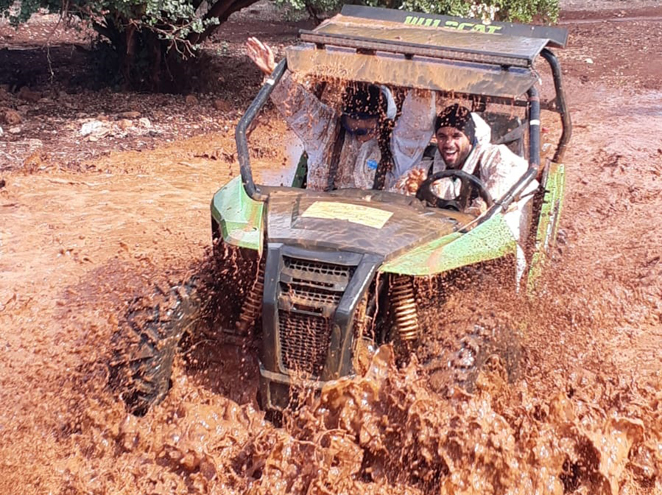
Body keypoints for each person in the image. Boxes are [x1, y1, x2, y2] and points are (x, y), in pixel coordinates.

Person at [246, 37, 435, 191]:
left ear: (382, 119)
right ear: (343, 116)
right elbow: (301, 107)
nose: (357, 128)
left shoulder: (396, 146)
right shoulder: (327, 133)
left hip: (371, 232)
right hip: (318, 223)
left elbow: (416, 123)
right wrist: (273, 71)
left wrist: (423, 87)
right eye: (352, 120)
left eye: (365, 123)